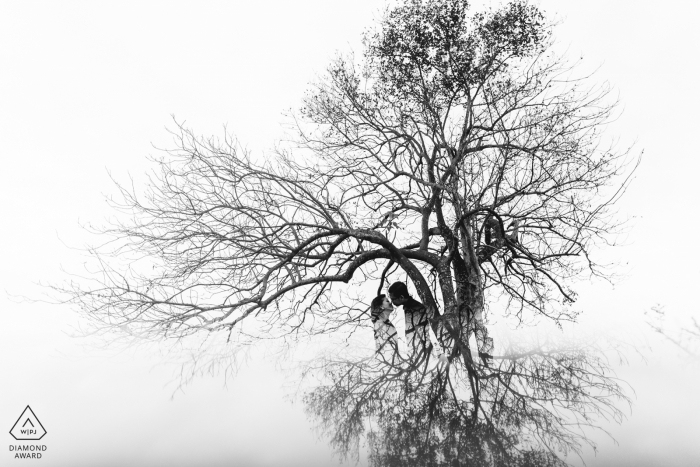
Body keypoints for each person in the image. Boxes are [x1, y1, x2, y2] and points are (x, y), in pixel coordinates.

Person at [388, 282, 432, 354]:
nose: (392, 302)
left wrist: (416, 353)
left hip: (422, 351)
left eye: (393, 299)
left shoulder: (416, 309)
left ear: (401, 297)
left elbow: (421, 335)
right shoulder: (408, 308)